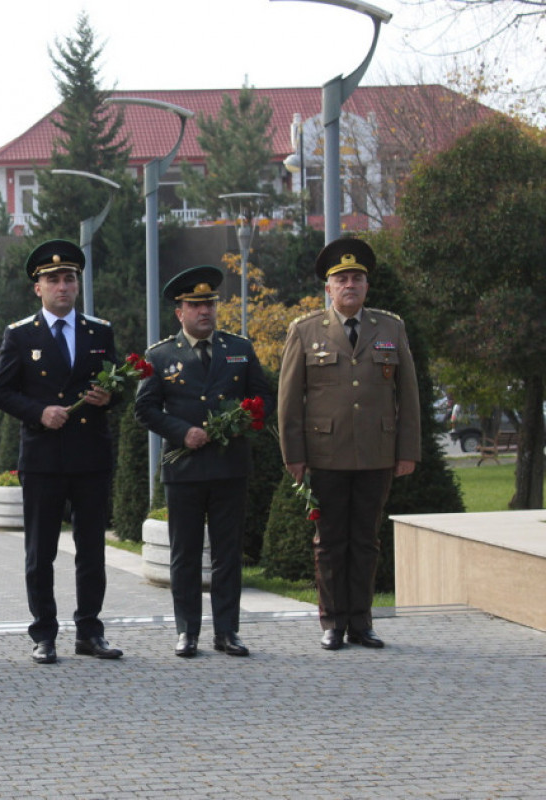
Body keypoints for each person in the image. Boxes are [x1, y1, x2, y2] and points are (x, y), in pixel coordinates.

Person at [277, 238, 420, 650]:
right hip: (326, 455)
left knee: (366, 541)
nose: (349, 285)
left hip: (377, 452)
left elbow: (407, 396)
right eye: (341, 279)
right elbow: (289, 401)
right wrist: (295, 456)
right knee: (328, 542)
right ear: (329, 288)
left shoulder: (391, 328)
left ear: (366, 286)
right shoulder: (305, 331)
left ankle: (362, 621)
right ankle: (332, 622)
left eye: (356, 278)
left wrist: (407, 450)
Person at [0, 240, 122, 665]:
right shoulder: (20, 334)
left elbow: (118, 384)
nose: (62, 286)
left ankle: (89, 630)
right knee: (40, 551)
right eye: (53, 279)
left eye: (69, 279)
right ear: (38, 288)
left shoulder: (99, 331)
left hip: (89, 456)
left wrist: (108, 396)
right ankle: (44, 633)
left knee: (92, 550)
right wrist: (38, 412)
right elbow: (2, 391)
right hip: (44, 457)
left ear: (77, 285)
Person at [135, 265, 274, 658]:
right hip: (185, 470)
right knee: (185, 553)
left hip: (230, 466)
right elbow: (144, 409)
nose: (205, 311)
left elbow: (263, 398)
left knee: (228, 552)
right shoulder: (160, 355)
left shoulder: (239, 350)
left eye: (210, 303)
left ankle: (228, 631)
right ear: (179, 312)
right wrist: (182, 432)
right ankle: (187, 631)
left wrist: (240, 420)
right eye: (195, 305)